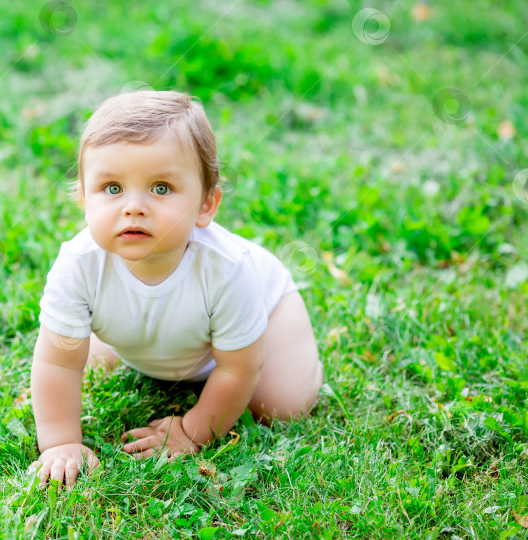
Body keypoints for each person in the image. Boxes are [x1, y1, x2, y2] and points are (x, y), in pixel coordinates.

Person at [28, 90, 322, 488]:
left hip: (262, 320)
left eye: (161, 188)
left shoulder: (227, 270)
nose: (133, 206)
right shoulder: (78, 265)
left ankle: (293, 360)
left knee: (283, 406)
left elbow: (238, 369)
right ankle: (117, 343)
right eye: (112, 188)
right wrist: (61, 443)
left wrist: (191, 430)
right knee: (74, 353)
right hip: (158, 331)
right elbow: (56, 364)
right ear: (83, 198)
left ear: (206, 204)